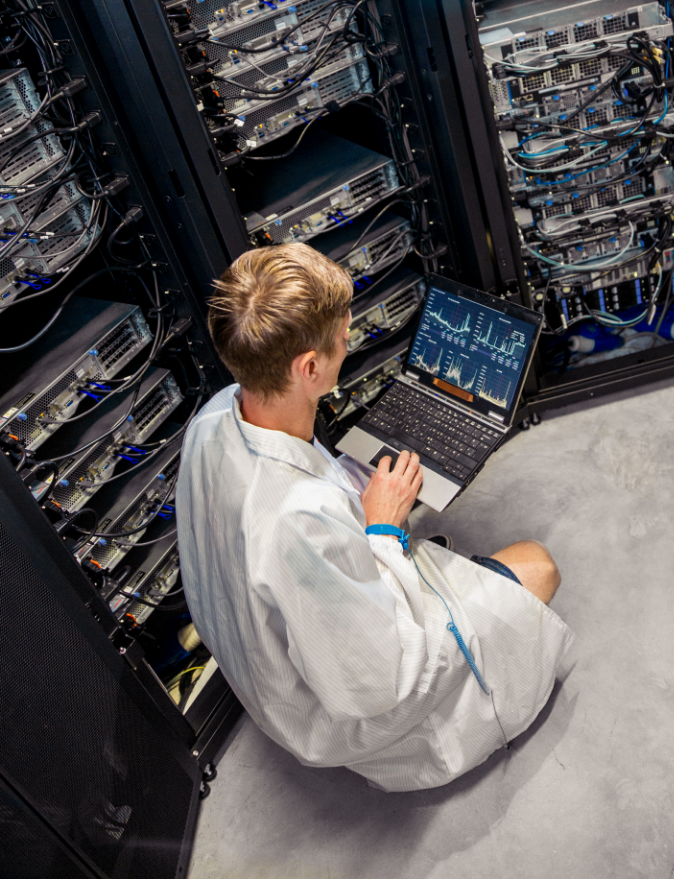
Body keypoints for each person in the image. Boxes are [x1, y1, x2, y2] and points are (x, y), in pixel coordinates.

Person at [176, 243, 574, 792]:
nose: (349, 342)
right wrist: (383, 531)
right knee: (537, 566)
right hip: (332, 713)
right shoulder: (299, 520)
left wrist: (352, 489)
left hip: (266, 655)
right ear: (309, 367)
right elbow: (378, 682)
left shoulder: (217, 414)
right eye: (343, 337)